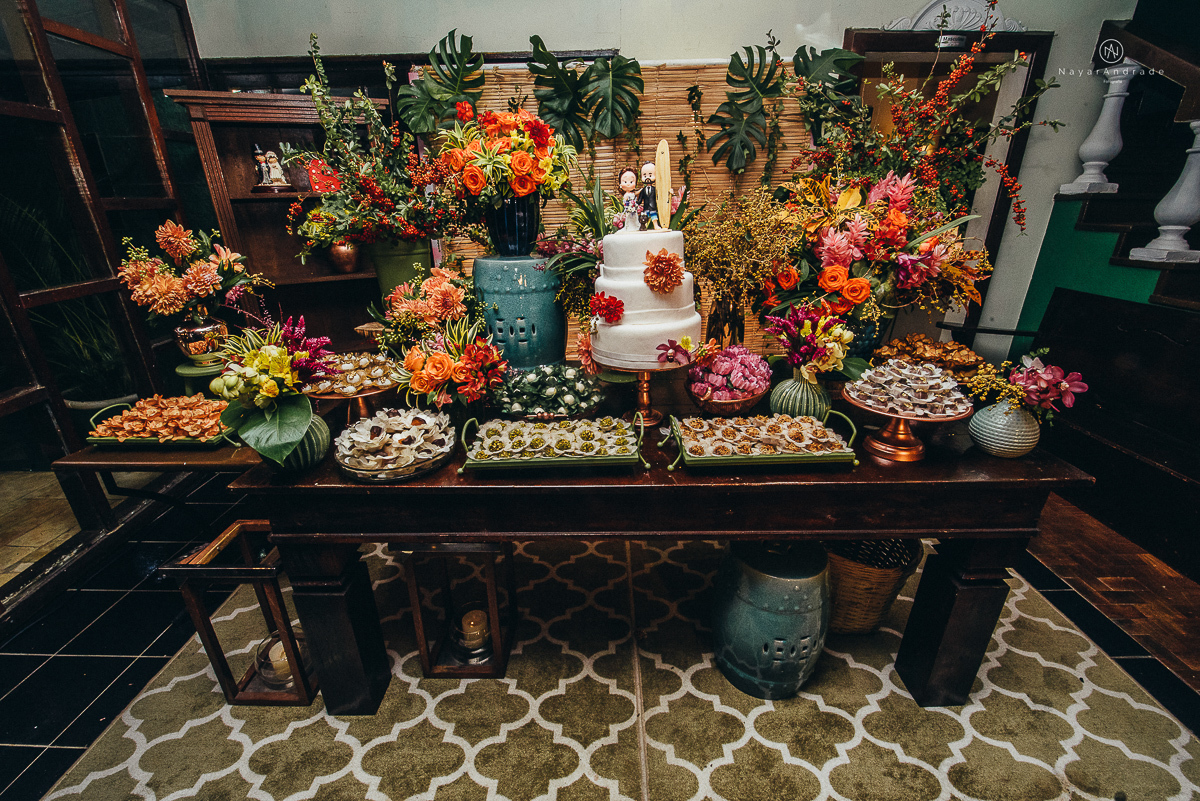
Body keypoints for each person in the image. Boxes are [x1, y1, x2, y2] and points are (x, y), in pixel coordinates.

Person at [636, 161, 659, 229]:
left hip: (653, 206)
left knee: (654, 217)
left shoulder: (655, 189)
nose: (647, 178)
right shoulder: (643, 190)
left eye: (650, 175)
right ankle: (644, 226)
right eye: (645, 176)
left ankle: (655, 225)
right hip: (645, 207)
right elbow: (640, 198)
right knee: (645, 218)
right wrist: (637, 203)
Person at [617, 166, 639, 231]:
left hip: (633, 208)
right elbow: (625, 201)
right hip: (628, 208)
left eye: (631, 182)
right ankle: (628, 227)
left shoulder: (632, 194)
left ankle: (635, 226)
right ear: (620, 184)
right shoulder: (626, 195)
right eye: (625, 182)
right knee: (628, 217)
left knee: (635, 217)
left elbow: (635, 195)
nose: (628, 184)